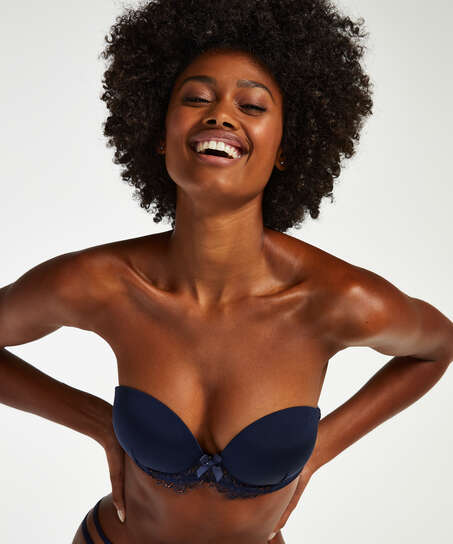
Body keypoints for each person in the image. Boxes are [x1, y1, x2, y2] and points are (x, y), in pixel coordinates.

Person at [1, 0, 452, 543]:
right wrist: (94, 420)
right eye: (196, 98)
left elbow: (437, 346)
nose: (220, 115)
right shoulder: (104, 284)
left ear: (286, 146)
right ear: (160, 132)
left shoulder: (333, 299)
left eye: (252, 105)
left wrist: (320, 450)